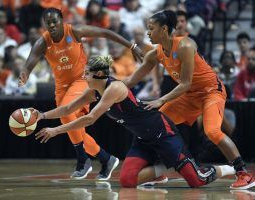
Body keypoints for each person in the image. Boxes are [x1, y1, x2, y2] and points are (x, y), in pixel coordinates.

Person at [33, 55, 235, 188]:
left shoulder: (115, 88)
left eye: (87, 72)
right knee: (127, 180)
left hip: (162, 132)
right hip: (142, 139)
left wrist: (56, 130)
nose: (83, 75)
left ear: (100, 74)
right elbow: (68, 108)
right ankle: (167, 168)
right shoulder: (93, 90)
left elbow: (90, 118)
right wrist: (42, 116)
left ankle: (229, 168)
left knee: (196, 180)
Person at [123, 10, 255, 189]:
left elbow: (185, 83)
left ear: (164, 29)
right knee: (154, 125)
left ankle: (244, 174)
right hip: (189, 96)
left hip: (210, 92)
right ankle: (158, 174)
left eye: (151, 28)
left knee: (213, 132)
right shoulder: (155, 54)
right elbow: (130, 80)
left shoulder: (185, 45)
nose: (148, 33)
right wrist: (103, 86)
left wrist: (161, 100)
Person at [18, 7, 142, 180]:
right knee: (73, 124)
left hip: (82, 81)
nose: (52, 25)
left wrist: (132, 45)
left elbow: (105, 33)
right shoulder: (43, 42)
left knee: (66, 112)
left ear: (62, 20)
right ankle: (106, 159)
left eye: (55, 21)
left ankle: (83, 160)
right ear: (44, 25)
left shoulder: (74, 31)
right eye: (48, 23)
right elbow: (31, 60)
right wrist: (25, 72)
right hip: (61, 87)